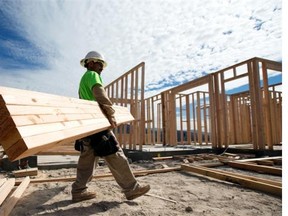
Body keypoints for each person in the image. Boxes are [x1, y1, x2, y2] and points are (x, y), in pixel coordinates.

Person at [71, 51, 150, 202]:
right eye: (100, 64)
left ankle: (79, 191)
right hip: (98, 124)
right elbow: (100, 94)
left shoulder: (83, 80)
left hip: (88, 125)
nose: (102, 68)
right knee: (115, 153)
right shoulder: (92, 75)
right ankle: (131, 189)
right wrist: (110, 114)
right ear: (91, 63)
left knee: (87, 159)